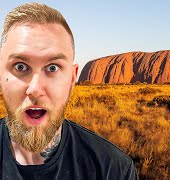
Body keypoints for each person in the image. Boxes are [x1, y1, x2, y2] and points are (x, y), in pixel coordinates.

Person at [0, 2, 137, 179]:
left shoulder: (113, 169)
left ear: (73, 78)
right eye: (20, 66)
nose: (34, 89)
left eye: (52, 68)